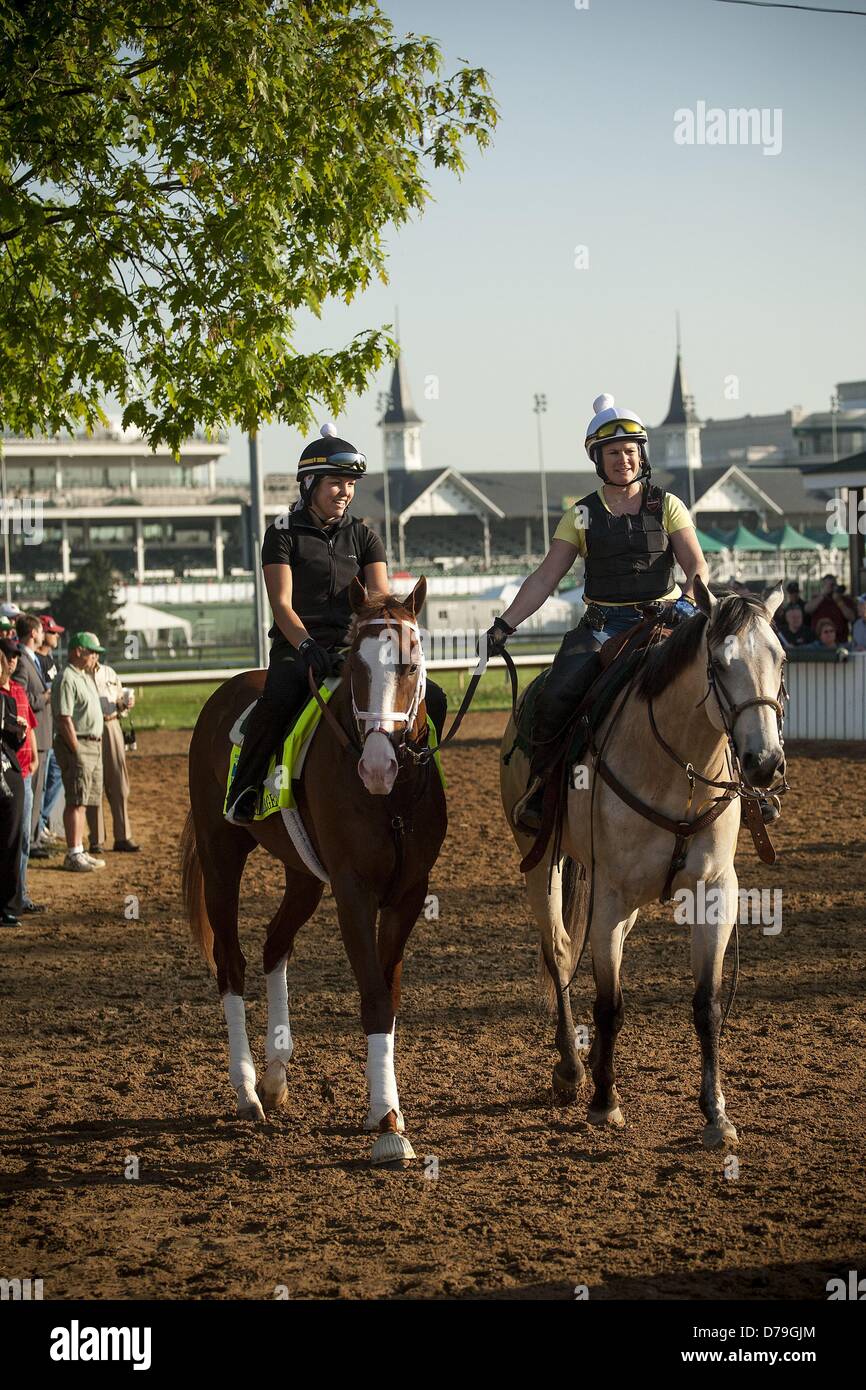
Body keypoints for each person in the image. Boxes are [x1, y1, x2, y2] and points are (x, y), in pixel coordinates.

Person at [488, 393, 709, 834]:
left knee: (723, 678)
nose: (624, 460)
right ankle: (542, 789)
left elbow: (698, 566)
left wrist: (686, 600)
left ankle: (752, 785)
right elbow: (545, 579)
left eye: (630, 451)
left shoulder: (667, 505)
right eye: (613, 453)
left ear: (640, 455)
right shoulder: (581, 514)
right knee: (556, 694)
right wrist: (505, 624)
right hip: (602, 629)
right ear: (598, 458)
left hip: (666, 621)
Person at [226, 424, 447, 823]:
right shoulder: (281, 534)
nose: (345, 491)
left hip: (358, 649)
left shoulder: (365, 536)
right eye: (336, 482)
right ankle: (245, 788)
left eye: (350, 483)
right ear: (309, 483)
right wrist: (307, 647)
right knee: (277, 699)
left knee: (437, 697)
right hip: (299, 647)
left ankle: (417, 773)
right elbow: (280, 603)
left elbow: (379, 604)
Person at [51, 631, 107, 872]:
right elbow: (64, 718)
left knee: (84, 799)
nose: (95, 656)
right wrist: (76, 750)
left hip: (92, 743)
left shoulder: (83, 676)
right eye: (91, 651)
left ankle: (79, 850)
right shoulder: (67, 678)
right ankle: (73, 853)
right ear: (78, 651)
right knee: (76, 799)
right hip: (79, 744)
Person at [0, 635, 43, 914]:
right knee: (12, 838)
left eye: (17, 655)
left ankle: (20, 893)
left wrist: (36, 756)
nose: (14, 660)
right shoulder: (3, 694)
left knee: (22, 839)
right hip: (9, 770)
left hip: (24, 768)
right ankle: (12, 898)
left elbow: (32, 727)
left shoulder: (17, 689)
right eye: (9, 655)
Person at [85, 658, 139, 853]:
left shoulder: (109, 673)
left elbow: (119, 700)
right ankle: (96, 839)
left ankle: (123, 836)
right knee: (94, 784)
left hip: (112, 725)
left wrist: (125, 703)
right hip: (90, 728)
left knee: (119, 782)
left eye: (96, 652)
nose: (94, 656)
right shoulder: (79, 675)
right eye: (91, 651)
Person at [12, 614, 52, 861]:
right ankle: (30, 841)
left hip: (43, 735)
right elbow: (21, 698)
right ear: (33, 633)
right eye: (40, 631)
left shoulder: (31, 660)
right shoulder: (23, 662)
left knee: (39, 792)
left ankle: (34, 838)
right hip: (34, 737)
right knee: (34, 793)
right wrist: (43, 699)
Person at [0, 648, 27, 925]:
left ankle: (9, 905)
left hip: (8, 776)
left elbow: (12, 744)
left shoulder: (6, 701)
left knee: (10, 843)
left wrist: (19, 733)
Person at [33, 614, 64, 846]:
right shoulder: (34, 660)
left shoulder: (51, 661)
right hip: (41, 731)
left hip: (53, 730)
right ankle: (38, 825)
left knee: (55, 777)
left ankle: (41, 821)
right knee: (41, 783)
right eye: (52, 632)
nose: (56, 636)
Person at [804, 574, 856, 644]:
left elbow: (852, 617)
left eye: (832, 584)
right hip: (818, 642)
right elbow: (807, 609)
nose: (830, 587)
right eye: (828, 585)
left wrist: (839, 601)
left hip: (840, 640)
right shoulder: (817, 598)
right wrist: (823, 595)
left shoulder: (844, 600)